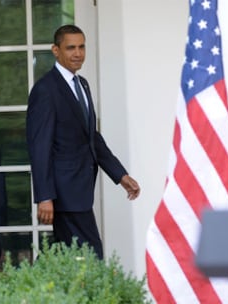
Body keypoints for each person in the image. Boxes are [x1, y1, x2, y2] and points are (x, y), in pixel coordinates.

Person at [26, 25, 140, 259]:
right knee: (90, 256)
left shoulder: (82, 84)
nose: (78, 53)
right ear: (56, 50)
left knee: (66, 256)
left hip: (80, 189)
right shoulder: (45, 90)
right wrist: (44, 196)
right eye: (71, 48)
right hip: (64, 193)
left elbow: (92, 137)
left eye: (81, 47)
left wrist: (120, 175)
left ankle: (29, 293)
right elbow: (40, 147)